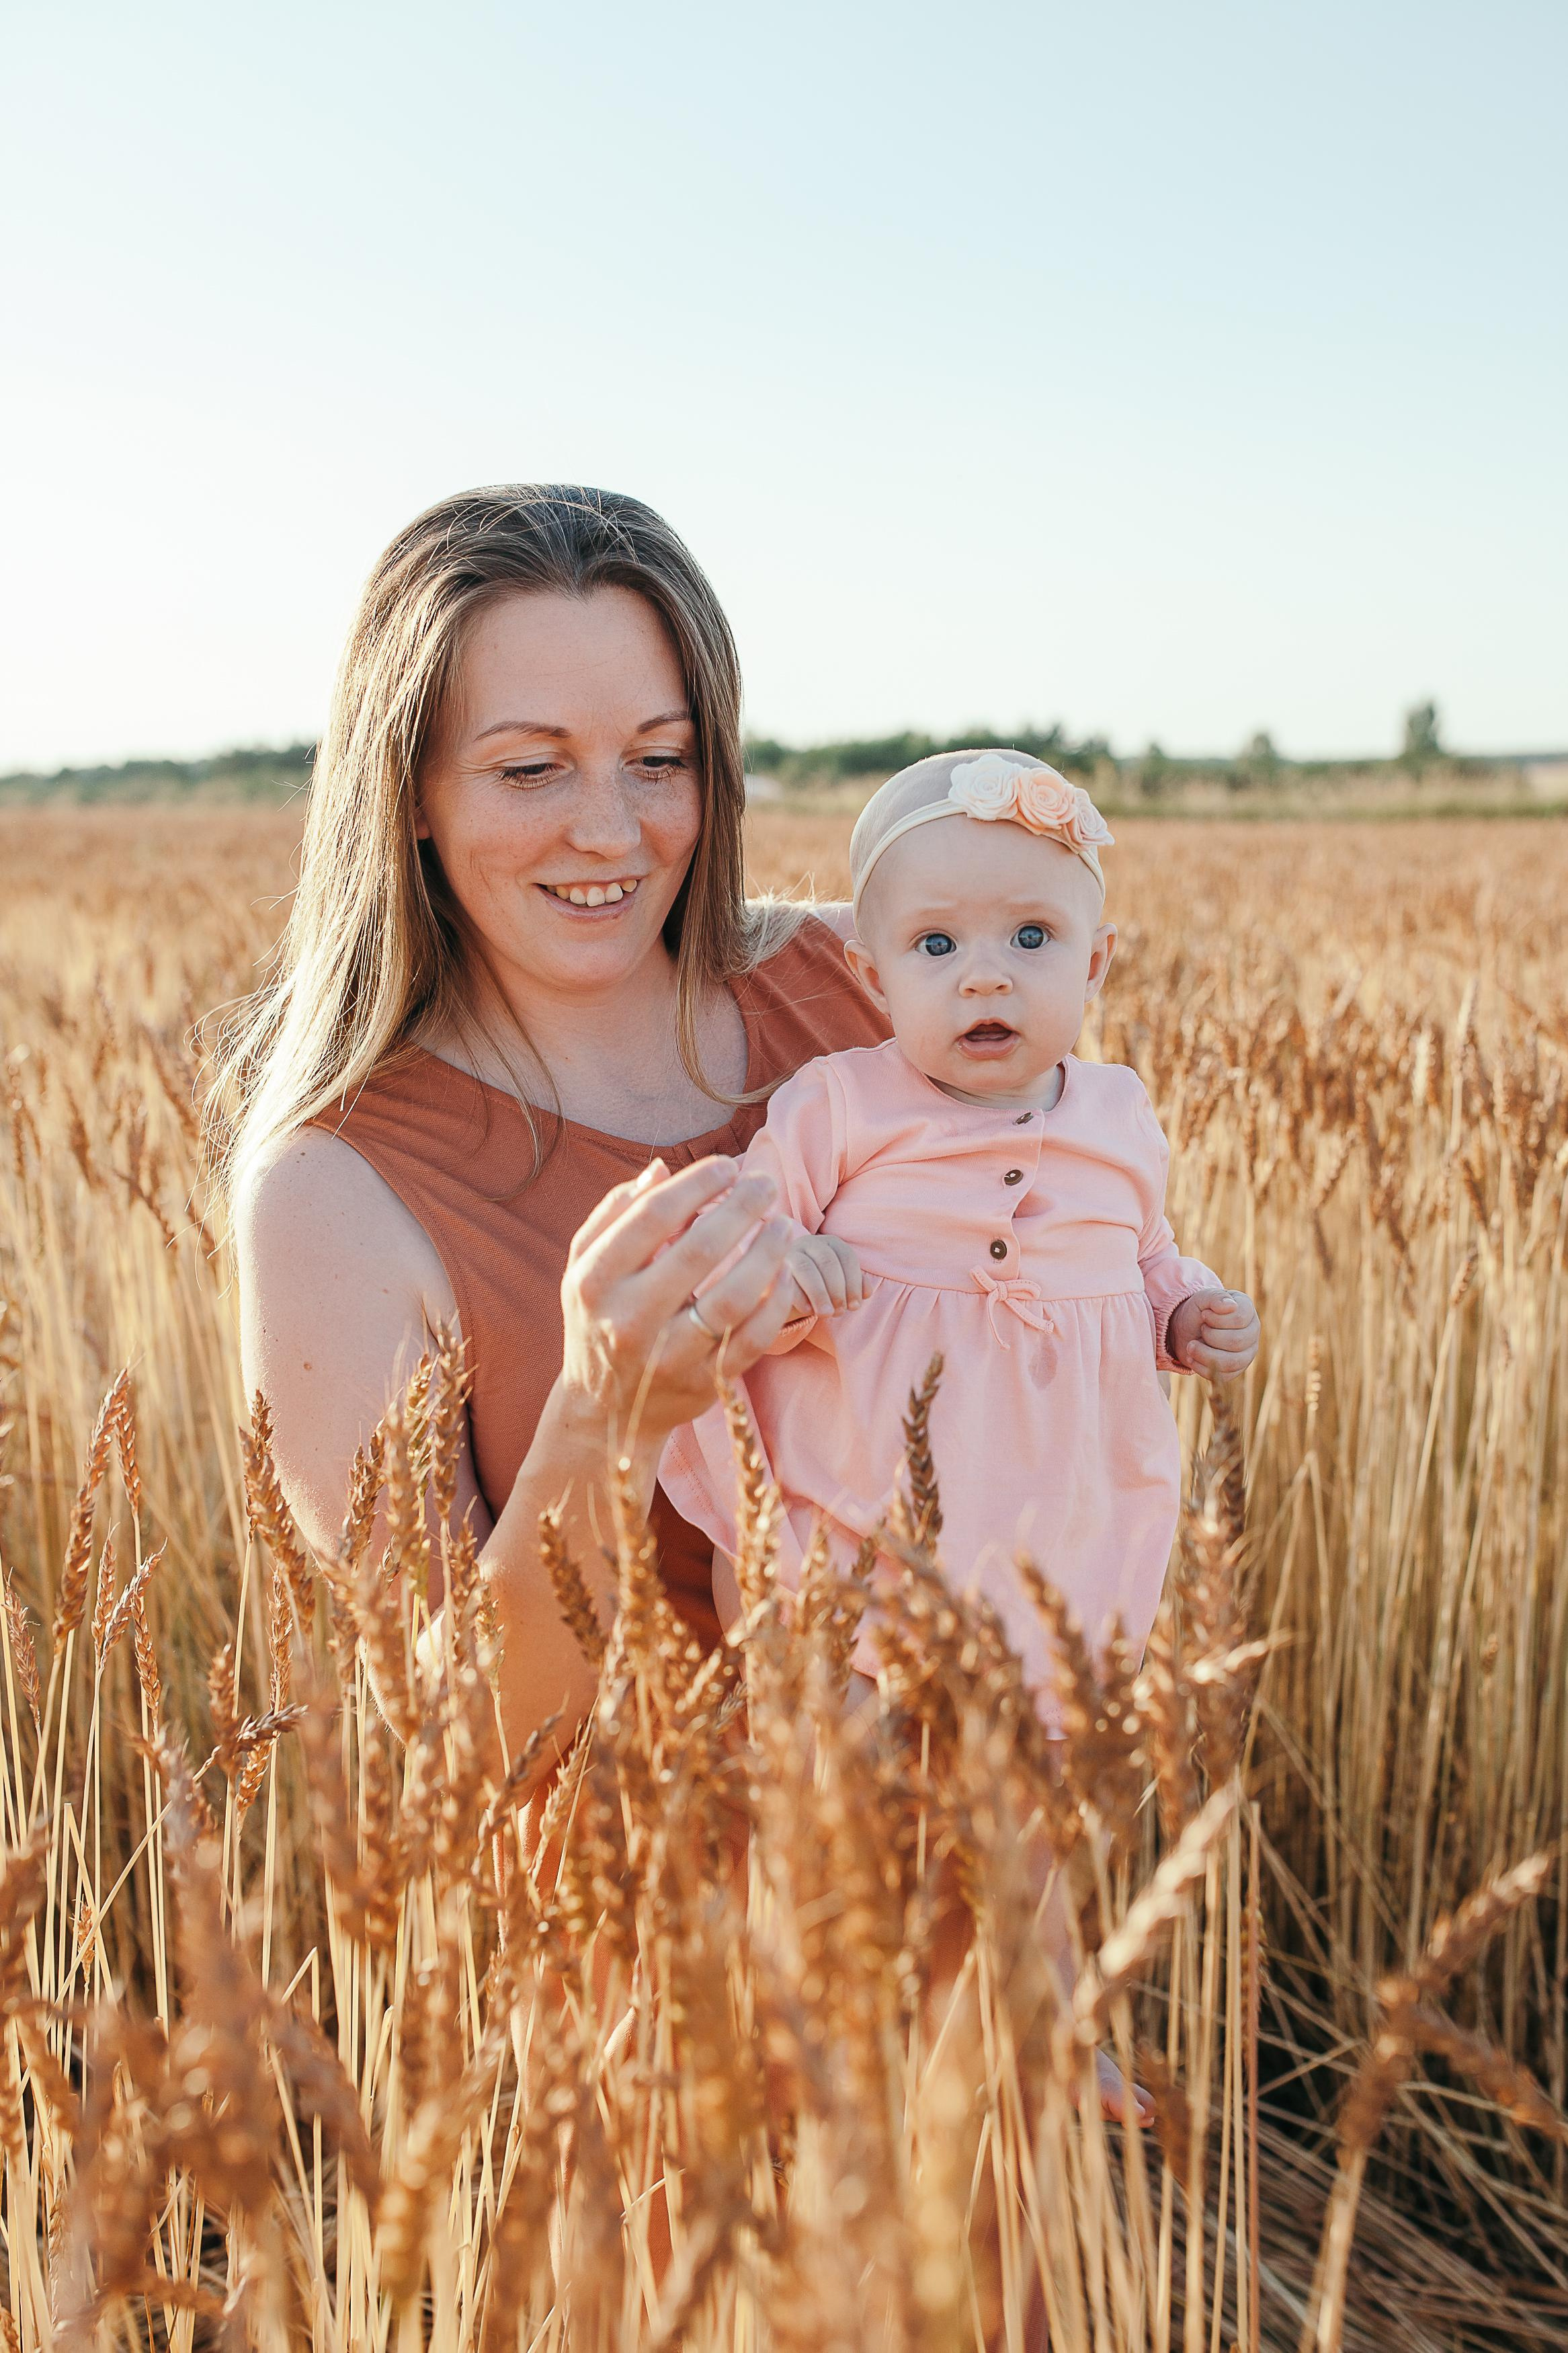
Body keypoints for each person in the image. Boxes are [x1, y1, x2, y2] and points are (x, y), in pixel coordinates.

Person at [219, 484, 887, 1761]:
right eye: (530, 768)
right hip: (654, 1945)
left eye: (660, 759)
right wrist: (607, 1417)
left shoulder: (863, 988)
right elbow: (457, 1750)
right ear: (409, 792)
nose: (609, 830)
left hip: (1002, 1914)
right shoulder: (335, 1190)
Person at [659, 747, 1262, 1711]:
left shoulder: (1117, 1113)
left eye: (1031, 937)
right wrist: (788, 1263)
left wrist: (1183, 1313)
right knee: (850, 1773)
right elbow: (739, 1238)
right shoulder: (843, 1103)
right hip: (863, 1519)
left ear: (1094, 961)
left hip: (1053, 1526)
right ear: (871, 973)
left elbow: (1139, 1252)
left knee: (1026, 1783)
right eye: (936, 946)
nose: (985, 979)